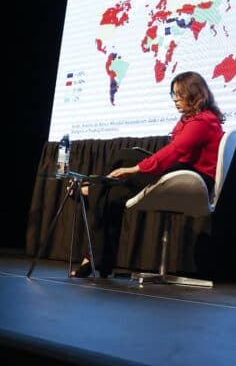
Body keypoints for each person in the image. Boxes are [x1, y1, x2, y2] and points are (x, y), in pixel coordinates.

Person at [71, 71, 225, 277]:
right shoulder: (189, 120)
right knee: (112, 196)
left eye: (180, 95)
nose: (176, 100)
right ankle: (99, 261)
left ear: (195, 95)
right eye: (174, 95)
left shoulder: (203, 122)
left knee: (124, 160)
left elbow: (175, 151)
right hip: (182, 173)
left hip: (193, 179)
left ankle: (93, 190)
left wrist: (135, 169)